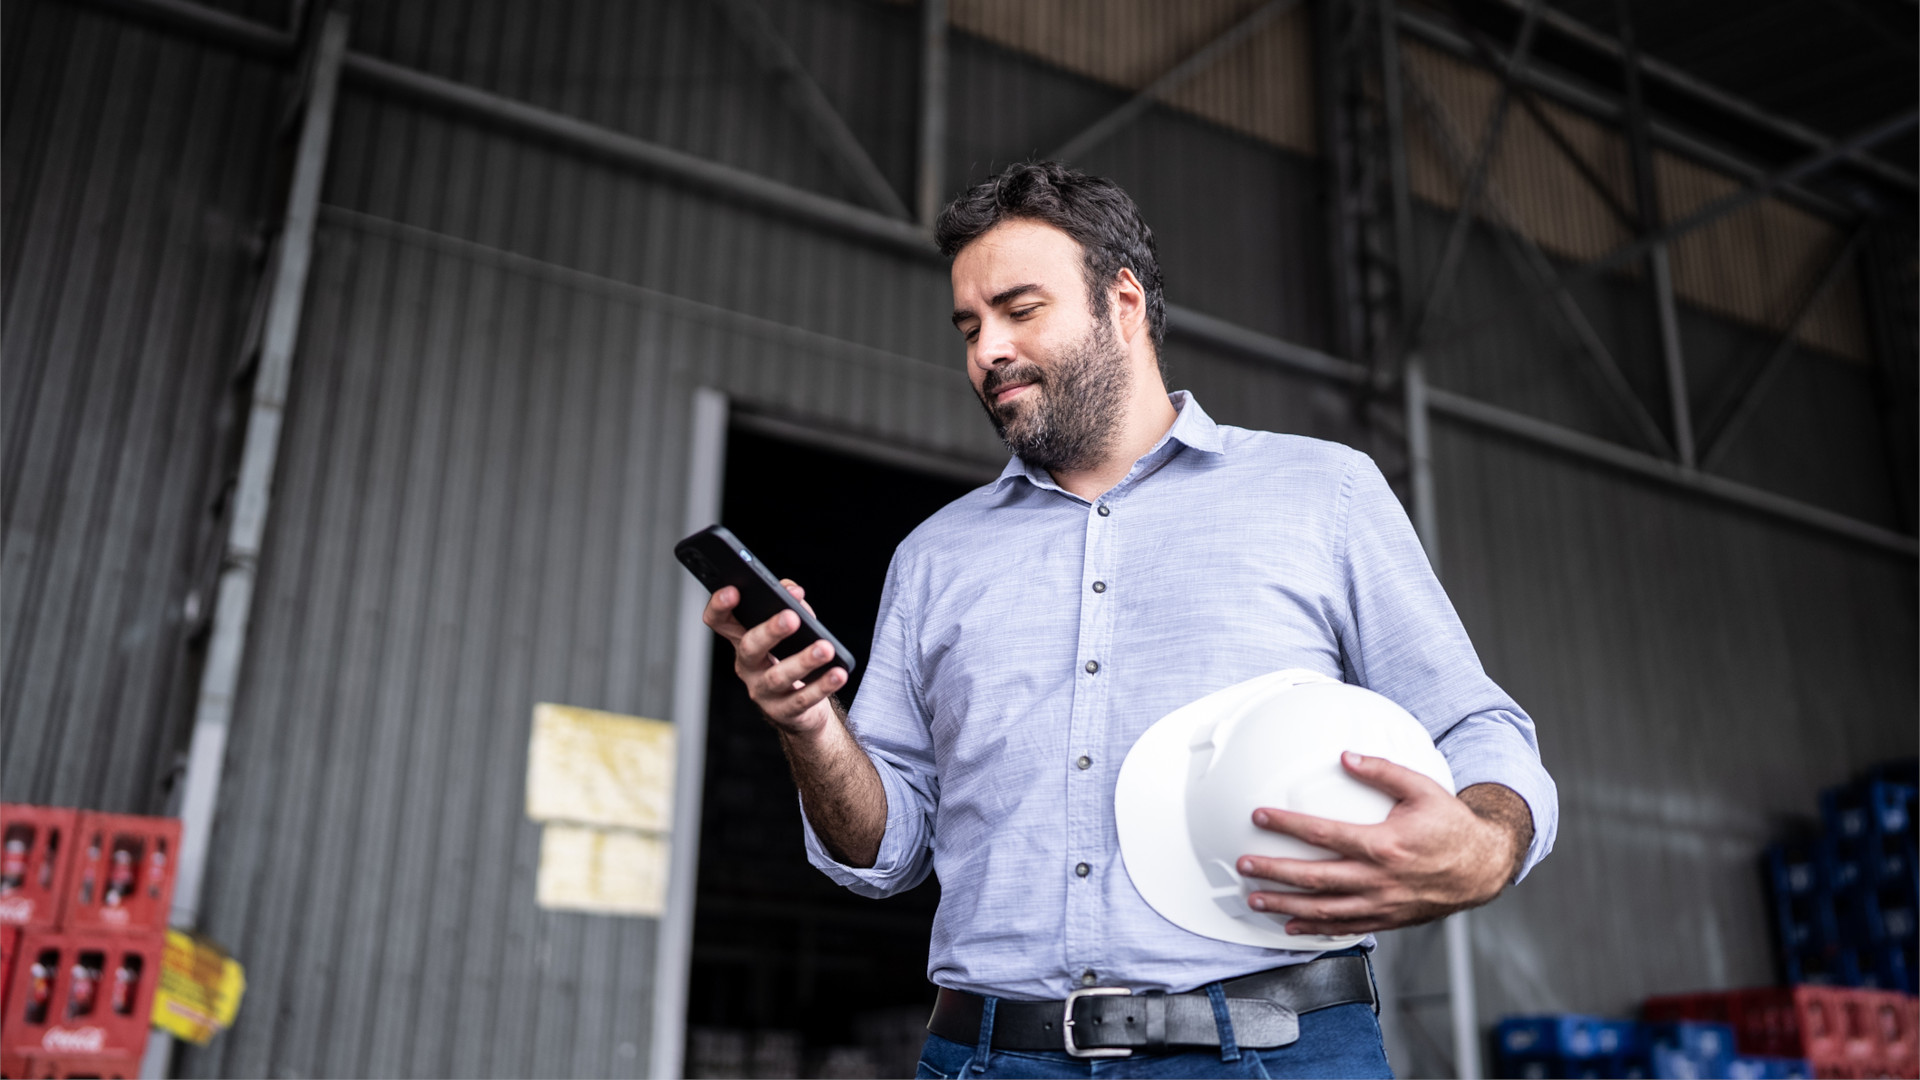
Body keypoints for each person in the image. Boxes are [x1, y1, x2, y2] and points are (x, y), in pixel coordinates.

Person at [701, 161, 1558, 1079]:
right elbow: (883, 848)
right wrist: (809, 726)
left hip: (1275, 1051)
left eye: (1019, 310)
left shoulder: (1324, 492)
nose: (986, 349)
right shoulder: (934, 559)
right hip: (991, 1059)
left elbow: (1478, 728)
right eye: (969, 325)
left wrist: (1484, 843)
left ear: (1124, 301)